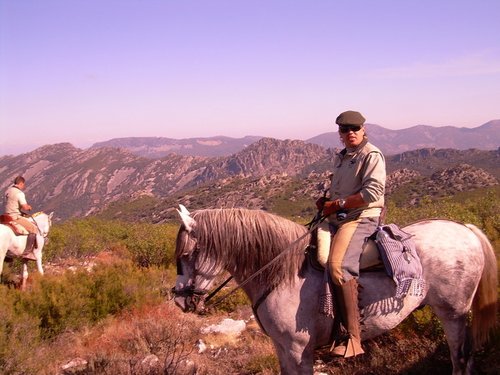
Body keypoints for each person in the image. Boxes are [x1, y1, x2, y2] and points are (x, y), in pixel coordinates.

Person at [316, 110, 386, 358]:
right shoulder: (343, 156)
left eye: (355, 128)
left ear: (363, 129)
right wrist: (327, 201)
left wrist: (338, 205)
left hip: (361, 218)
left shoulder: (371, 155)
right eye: (345, 130)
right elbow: (340, 190)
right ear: (340, 134)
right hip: (338, 216)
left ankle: (353, 338)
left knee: (337, 266)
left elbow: (373, 192)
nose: (351, 133)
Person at [3, 176, 38, 260]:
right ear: (21, 183)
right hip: (15, 217)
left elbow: (12, 204)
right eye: (23, 185)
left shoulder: (8, 191)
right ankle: (27, 253)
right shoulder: (20, 193)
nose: (24, 186)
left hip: (6, 216)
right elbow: (25, 207)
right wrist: (29, 207)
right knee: (33, 229)